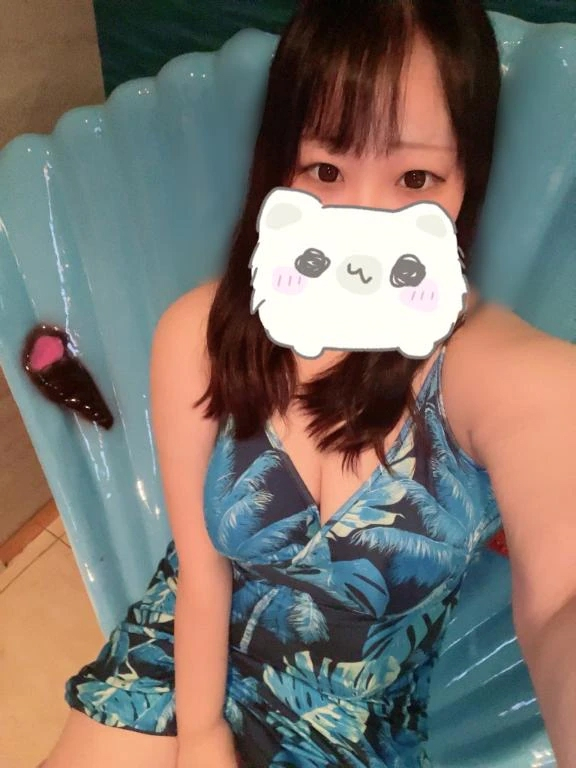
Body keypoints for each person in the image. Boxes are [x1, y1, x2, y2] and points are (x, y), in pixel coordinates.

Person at [42, 1, 576, 766]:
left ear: (467, 182)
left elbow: (563, 601)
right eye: (327, 170)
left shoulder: (498, 369)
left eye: (415, 177)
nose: (363, 220)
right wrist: (202, 736)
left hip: (352, 720)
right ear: (279, 168)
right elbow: (198, 573)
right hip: (182, 658)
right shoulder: (197, 334)